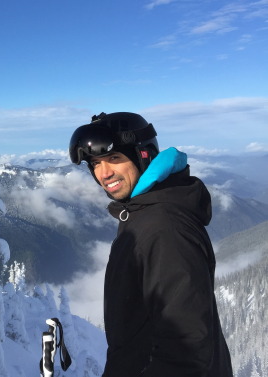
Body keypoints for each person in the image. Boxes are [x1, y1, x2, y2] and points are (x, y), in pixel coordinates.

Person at [68, 112, 233, 377]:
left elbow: (186, 352)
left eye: (114, 158)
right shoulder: (144, 212)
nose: (104, 173)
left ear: (143, 155)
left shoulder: (164, 227)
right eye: (95, 164)